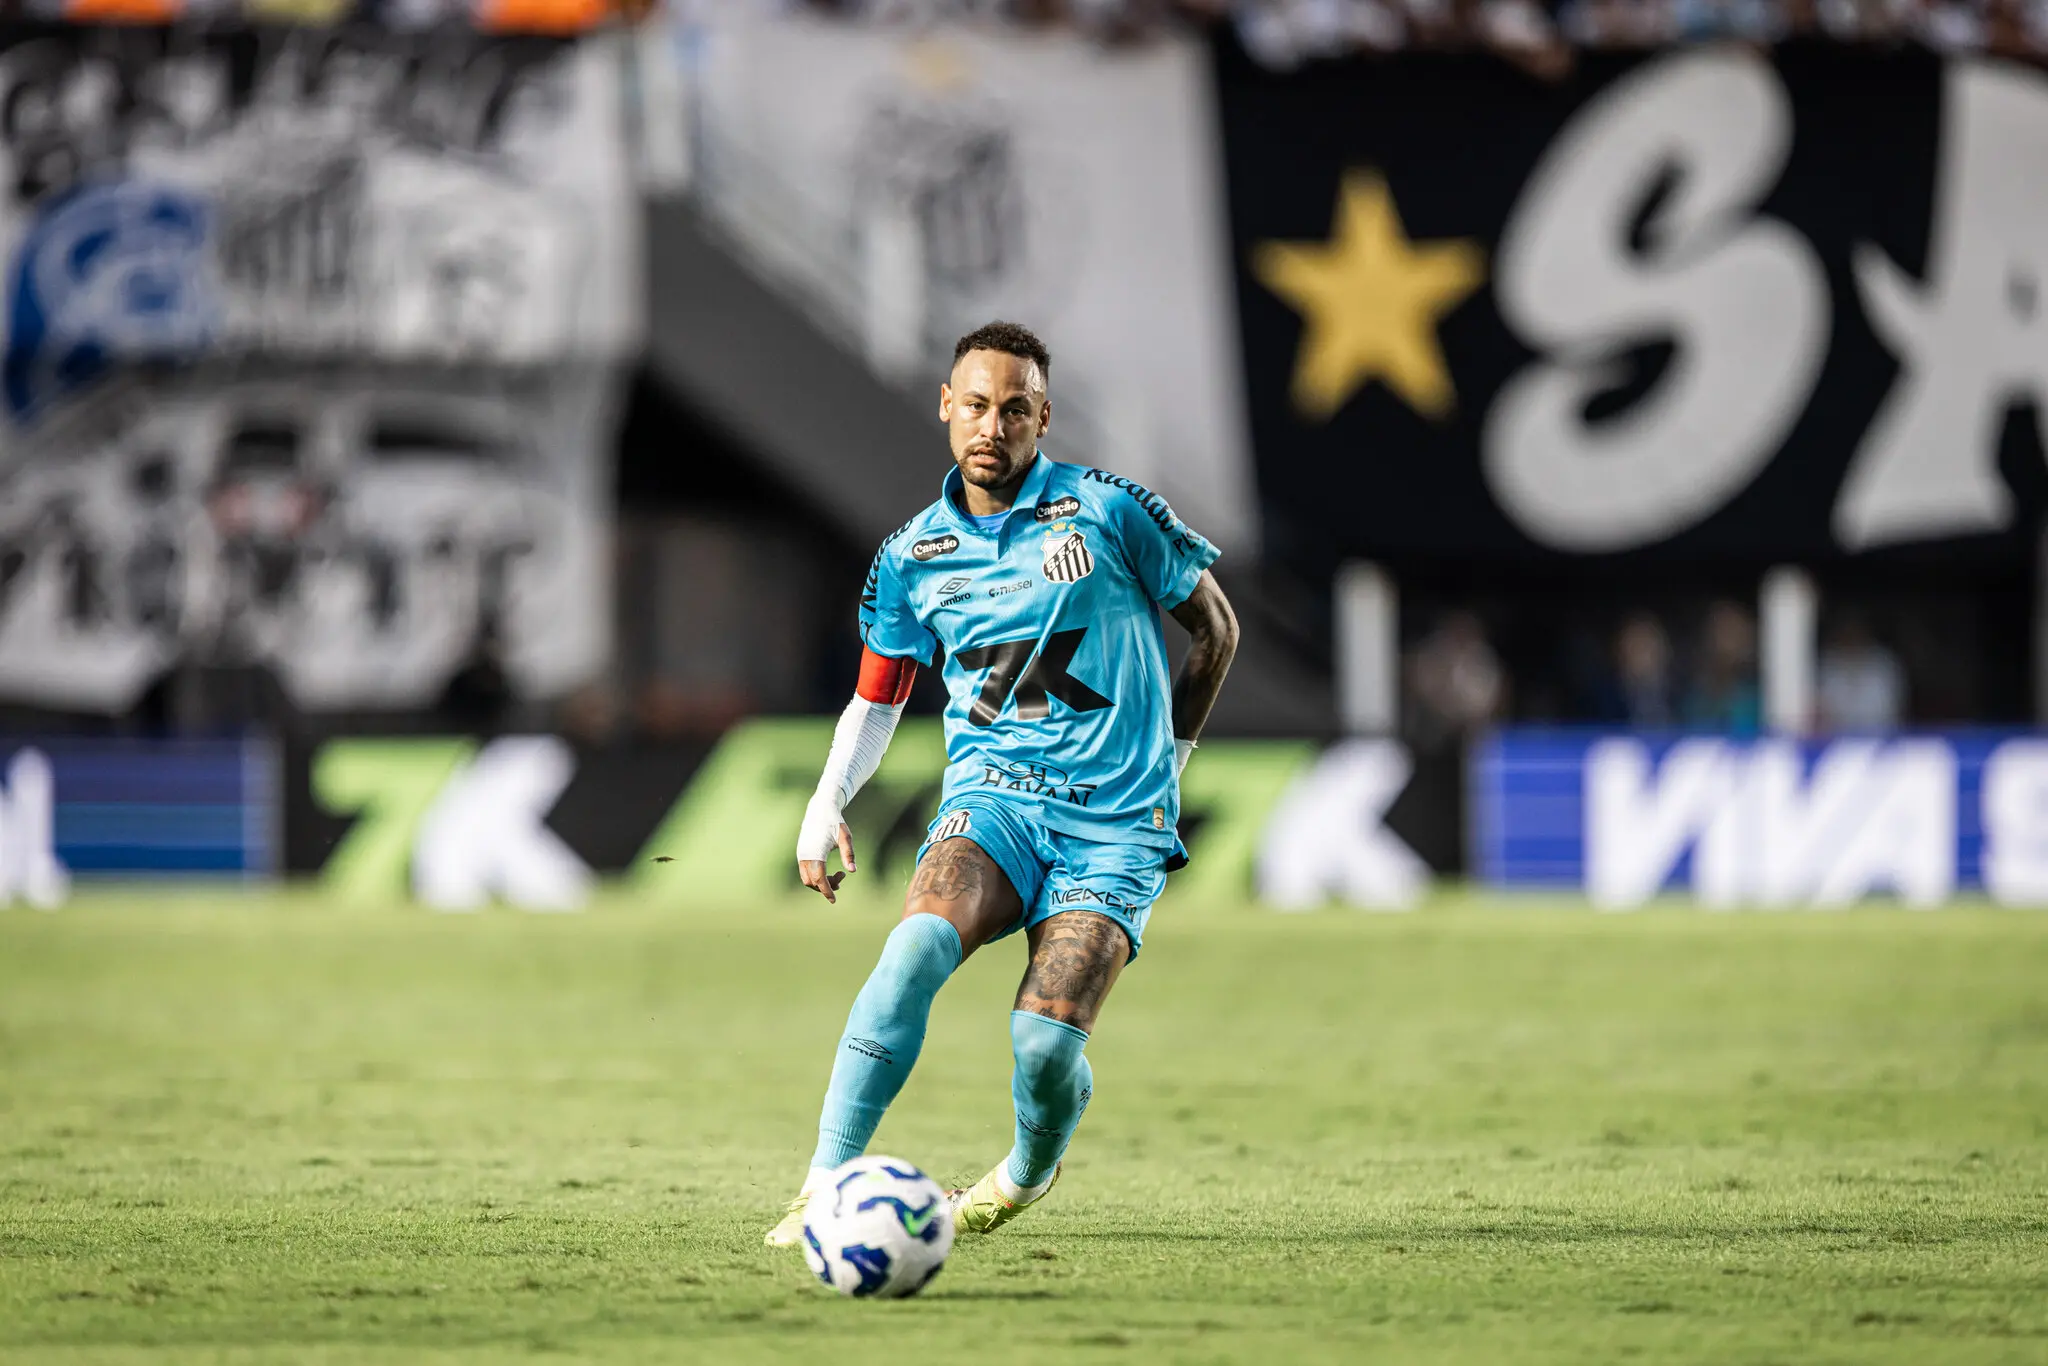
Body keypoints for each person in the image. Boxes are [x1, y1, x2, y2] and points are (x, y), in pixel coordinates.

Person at [764, 321, 1239, 1246]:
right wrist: (825, 804)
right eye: (975, 405)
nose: (992, 425)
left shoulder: (1111, 512)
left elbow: (1215, 629)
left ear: (1043, 418)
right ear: (947, 407)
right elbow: (878, 698)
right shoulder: (911, 557)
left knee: (1044, 1043)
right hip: (995, 804)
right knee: (908, 956)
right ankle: (823, 1187)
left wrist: (1168, 773)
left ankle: (1027, 1172)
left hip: (1114, 827)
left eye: (1014, 409)